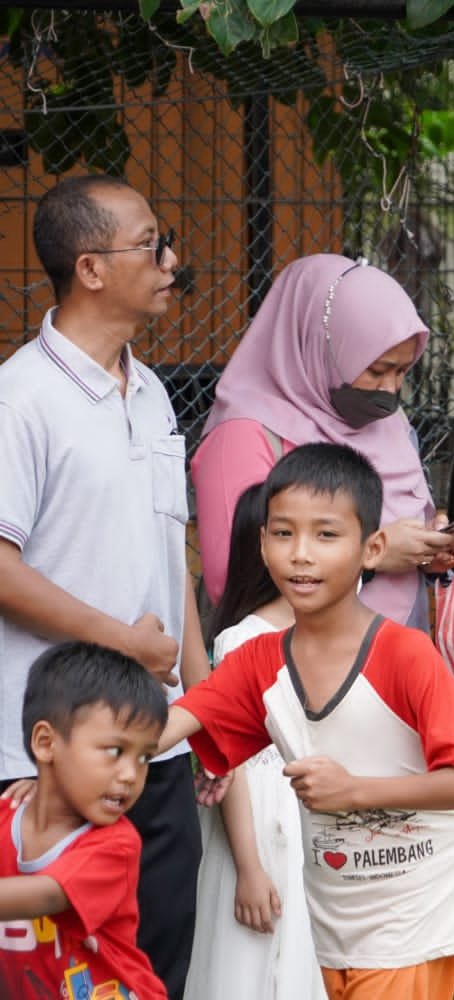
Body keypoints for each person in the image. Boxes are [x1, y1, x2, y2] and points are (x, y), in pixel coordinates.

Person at [166, 443, 454, 999]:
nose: (301, 554)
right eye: (283, 534)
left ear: (372, 548)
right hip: (334, 924)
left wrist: (352, 791)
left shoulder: (406, 653)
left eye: (326, 535)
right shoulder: (257, 657)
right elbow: (173, 724)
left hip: (411, 917)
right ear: (262, 543)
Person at [0, 173, 209, 998]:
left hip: (158, 743)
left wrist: (205, 702)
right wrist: (124, 642)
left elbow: (172, 555)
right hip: (49, 754)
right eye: (152, 243)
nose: (171, 259)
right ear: (90, 268)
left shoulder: (152, 389)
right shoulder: (21, 398)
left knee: (153, 970)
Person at [191, 253, 454, 630]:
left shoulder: (389, 423)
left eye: (402, 371)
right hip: (292, 674)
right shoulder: (243, 435)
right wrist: (372, 557)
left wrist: (428, 551)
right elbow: (234, 581)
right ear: (321, 346)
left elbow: (400, 544)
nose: (390, 390)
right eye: (376, 370)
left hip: (391, 662)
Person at [184, 482, 323, 1000]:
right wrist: (247, 866)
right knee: (247, 960)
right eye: (287, 534)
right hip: (257, 826)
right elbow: (230, 759)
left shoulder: (334, 635)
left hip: (313, 822)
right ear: (260, 547)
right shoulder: (242, 640)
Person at [0, 641, 169, 1000]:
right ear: (46, 743)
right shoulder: (6, 818)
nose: (130, 774)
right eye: (115, 751)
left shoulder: (115, 845)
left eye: (144, 758)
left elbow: (45, 896)